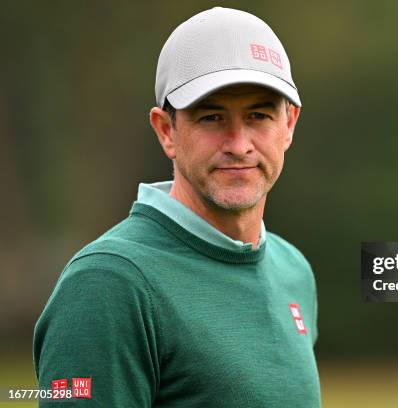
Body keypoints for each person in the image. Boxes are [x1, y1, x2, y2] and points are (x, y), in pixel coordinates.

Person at [33, 7, 320, 407]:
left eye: (258, 115)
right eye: (211, 117)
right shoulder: (108, 284)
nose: (239, 144)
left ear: (288, 124)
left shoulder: (293, 272)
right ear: (166, 130)